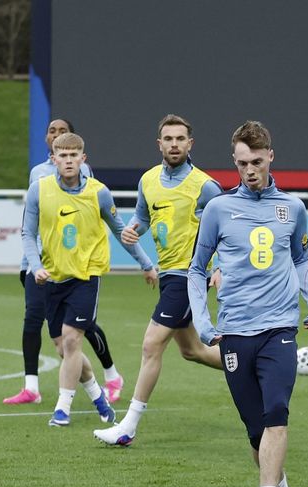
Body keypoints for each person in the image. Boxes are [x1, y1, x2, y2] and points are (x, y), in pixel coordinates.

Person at [187, 121, 308, 487]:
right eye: (243, 163)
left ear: (271, 157)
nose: (250, 170)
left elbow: (301, 258)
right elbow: (196, 270)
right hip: (234, 331)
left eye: (257, 162)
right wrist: (202, 321)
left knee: (277, 412)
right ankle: (278, 486)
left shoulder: (293, 208)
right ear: (234, 160)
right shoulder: (218, 209)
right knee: (254, 429)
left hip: (280, 327)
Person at [94, 114, 224, 447]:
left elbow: (227, 229)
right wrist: (133, 229)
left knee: (152, 344)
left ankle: (128, 426)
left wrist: (220, 267)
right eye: (169, 139)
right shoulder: (148, 180)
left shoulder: (205, 186)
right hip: (169, 274)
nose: (175, 144)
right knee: (193, 350)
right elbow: (142, 217)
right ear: (159, 144)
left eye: (181, 139)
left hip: (189, 275)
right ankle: (250, 365)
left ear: (190, 144)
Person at [21, 131, 158, 427]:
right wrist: (35, 266)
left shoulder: (99, 192)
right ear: (53, 159)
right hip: (52, 278)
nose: (68, 161)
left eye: (74, 156)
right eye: (63, 156)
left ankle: (62, 408)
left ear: (83, 159)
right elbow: (27, 233)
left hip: (86, 277)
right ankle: (97, 395)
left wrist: (146, 264)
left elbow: (122, 231)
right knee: (63, 348)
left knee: (72, 340)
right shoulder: (39, 190)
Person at [4, 117, 126, 405]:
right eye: (52, 131)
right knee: (34, 319)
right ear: (48, 143)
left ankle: (110, 374)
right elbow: (31, 223)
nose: (57, 135)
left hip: (75, 266)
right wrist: (31, 263)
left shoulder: (83, 173)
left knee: (84, 327)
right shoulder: (37, 175)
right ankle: (31, 386)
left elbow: (93, 215)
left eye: (63, 132)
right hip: (39, 263)